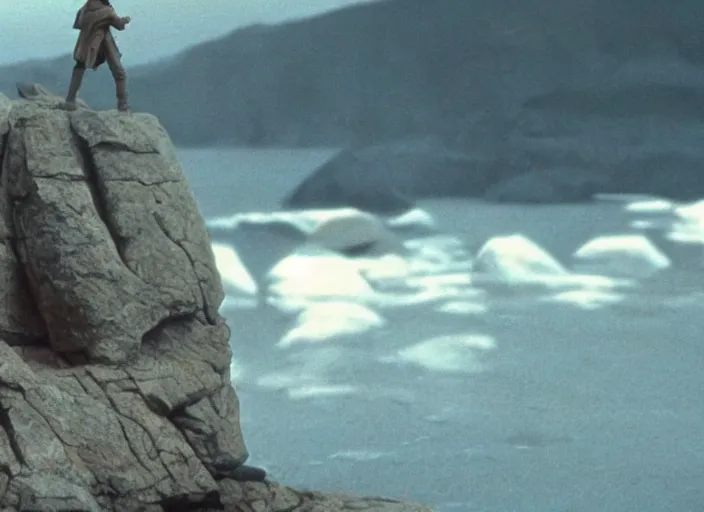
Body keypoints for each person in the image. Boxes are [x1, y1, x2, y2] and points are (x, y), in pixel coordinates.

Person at [63, 0, 131, 112]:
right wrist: (126, 19)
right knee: (119, 72)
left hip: (86, 41)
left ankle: (70, 100)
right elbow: (119, 25)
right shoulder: (107, 11)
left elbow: (78, 24)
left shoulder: (85, 9)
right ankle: (122, 105)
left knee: (79, 66)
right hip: (102, 40)